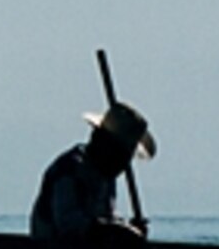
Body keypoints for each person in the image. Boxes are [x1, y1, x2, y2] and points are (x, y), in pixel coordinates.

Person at [30, 97, 154, 240]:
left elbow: (105, 218)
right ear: (99, 140)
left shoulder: (105, 177)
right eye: (119, 155)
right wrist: (118, 231)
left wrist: (128, 229)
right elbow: (69, 224)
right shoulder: (69, 170)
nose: (123, 165)